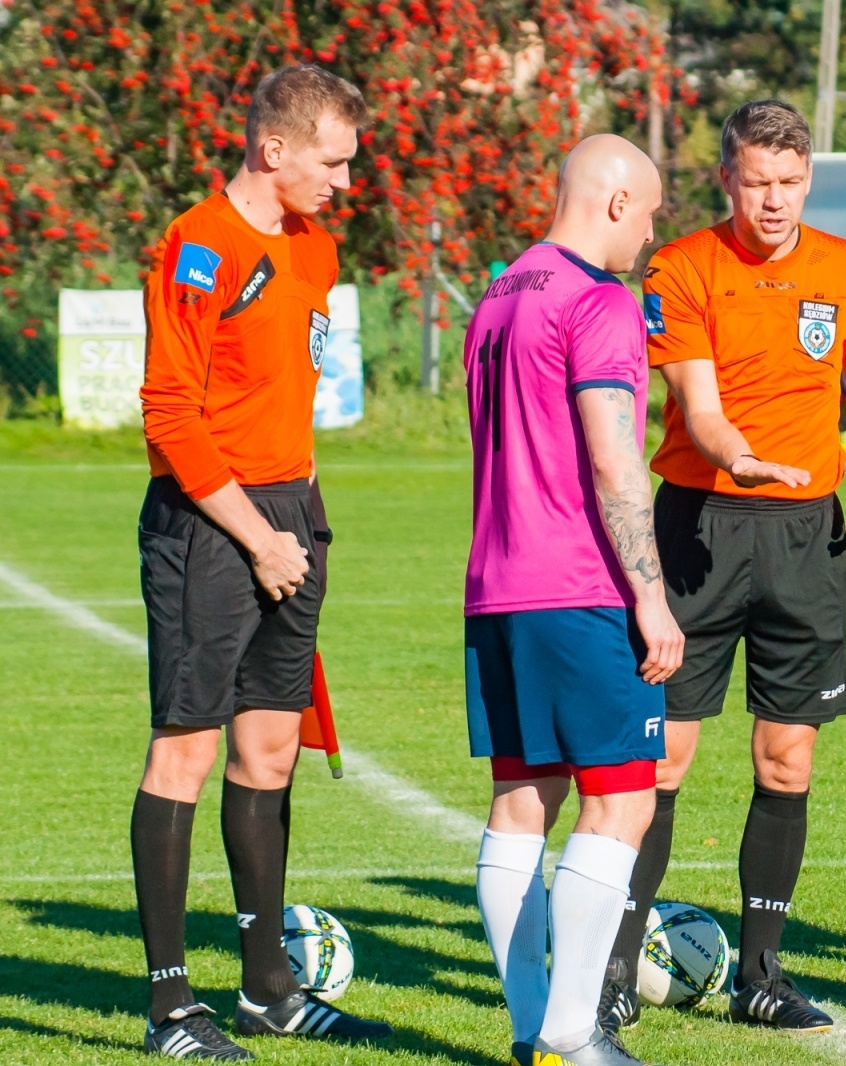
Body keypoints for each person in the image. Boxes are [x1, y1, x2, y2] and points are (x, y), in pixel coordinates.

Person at [597, 98, 846, 1037]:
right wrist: (741, 457)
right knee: (660, 757)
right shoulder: (681, 267)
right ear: (726, 178)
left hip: (808, 535)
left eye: (791, 184)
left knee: (788, 757)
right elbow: (698, 402)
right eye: (757, 183)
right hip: (703, 527)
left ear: (810, 179)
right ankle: (612, 969)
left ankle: (760, 976)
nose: (774, 202)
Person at [133, 65, 391, 1061]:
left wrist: (300, 519)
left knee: (269, 752)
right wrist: (257, 533)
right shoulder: (200, 243)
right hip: (210, 525)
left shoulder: (318, 248)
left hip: (291, 515)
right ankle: (169, 1008)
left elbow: (293, 390)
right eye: (331, 162)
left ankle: (268, 991)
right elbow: (170, 414)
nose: (342, 182)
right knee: (187, 753)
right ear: (272, 148)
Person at [462, 134, 683, 1066]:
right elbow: (613, 456)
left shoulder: (496, 296)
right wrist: (653, 596)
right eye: (653, 214)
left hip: (495, 589)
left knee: (521, 803)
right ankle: (569, 1032)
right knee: (622, 801)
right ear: (619, 202)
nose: (650, 236)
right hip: (579, 587)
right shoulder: (601, 301)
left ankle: (530, 1031)